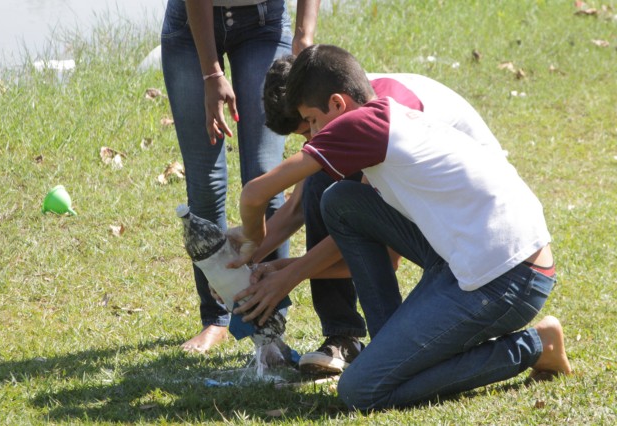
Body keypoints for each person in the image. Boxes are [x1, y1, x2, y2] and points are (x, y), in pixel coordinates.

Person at [228, 44, 572, 409]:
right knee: (340, 200)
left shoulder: (359, 127)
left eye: (312, 122)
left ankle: (538, 345)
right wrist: (277, 267)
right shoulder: (379, 115)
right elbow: (312, 210)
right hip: (465, 258)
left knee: (361, 391)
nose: (312, 135)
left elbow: (254, 195)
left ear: (338, 105)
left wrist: (254, 238)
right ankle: (393, 349)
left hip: (511, 276)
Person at [234, 54, 506, 375]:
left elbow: (376, 246)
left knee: (335, 191)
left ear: (329, 103)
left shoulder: (377, 116)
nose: (312, 139)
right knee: (324, 182)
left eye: (310, 126)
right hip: (458, 223)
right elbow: (296, 208)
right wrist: (246, 263)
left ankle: (363, 340)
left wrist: (288, 275)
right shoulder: (345, 98)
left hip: (476, 235)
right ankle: (349, 337)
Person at [160, 0, 320, 353]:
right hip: (192, 27)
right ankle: (215, 318)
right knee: (206, 183)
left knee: (266, 174)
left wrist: (304, 38)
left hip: (265, 25)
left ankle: (268, 317)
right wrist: (211, 74)